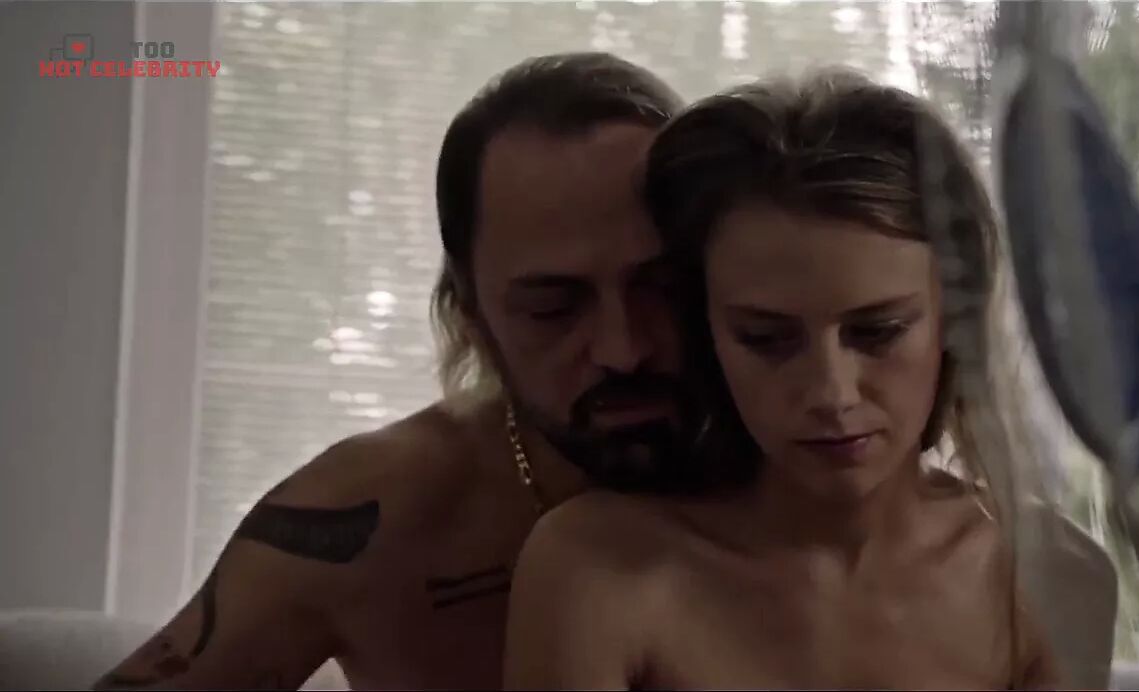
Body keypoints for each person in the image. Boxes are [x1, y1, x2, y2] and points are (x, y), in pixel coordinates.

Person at [503, 68, 1119, 690]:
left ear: (952, 320)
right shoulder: (601, 573)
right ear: (707, 333)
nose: (831, 394)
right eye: (766, 339)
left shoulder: (1051, 577)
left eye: (877, 332)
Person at [93, 52, 691, 690]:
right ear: (470, 310)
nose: (624, 349)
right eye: (552, 307)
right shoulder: (381, 512)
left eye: (663, 286)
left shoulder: (772, 467)